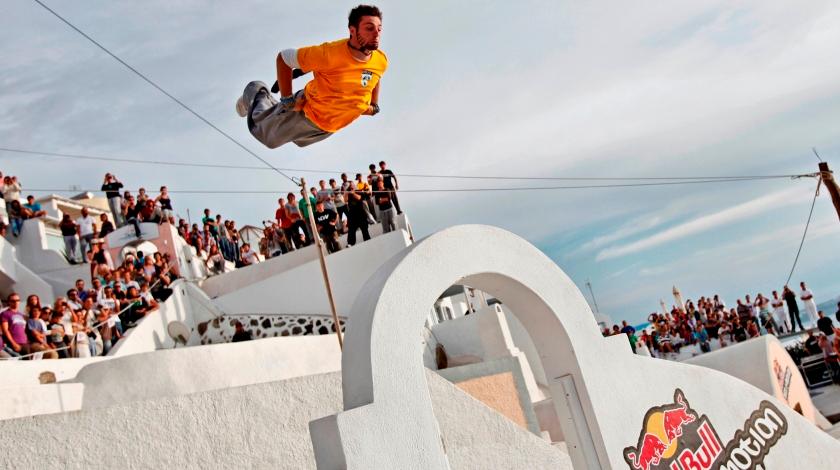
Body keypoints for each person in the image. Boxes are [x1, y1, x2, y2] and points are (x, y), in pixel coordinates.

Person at [236, 5, 387, 149]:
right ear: (352, 30)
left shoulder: (380, 60)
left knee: (297, 141)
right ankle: (256, 92)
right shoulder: (328, 54)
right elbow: (284, 58)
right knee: (268, 137)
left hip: (329, 127)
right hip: (308, 112)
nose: (376, 34)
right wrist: (288, 102)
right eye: (369, 28)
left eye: (379, 29)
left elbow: (375, 76)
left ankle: (274, 108)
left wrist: (374, 106)